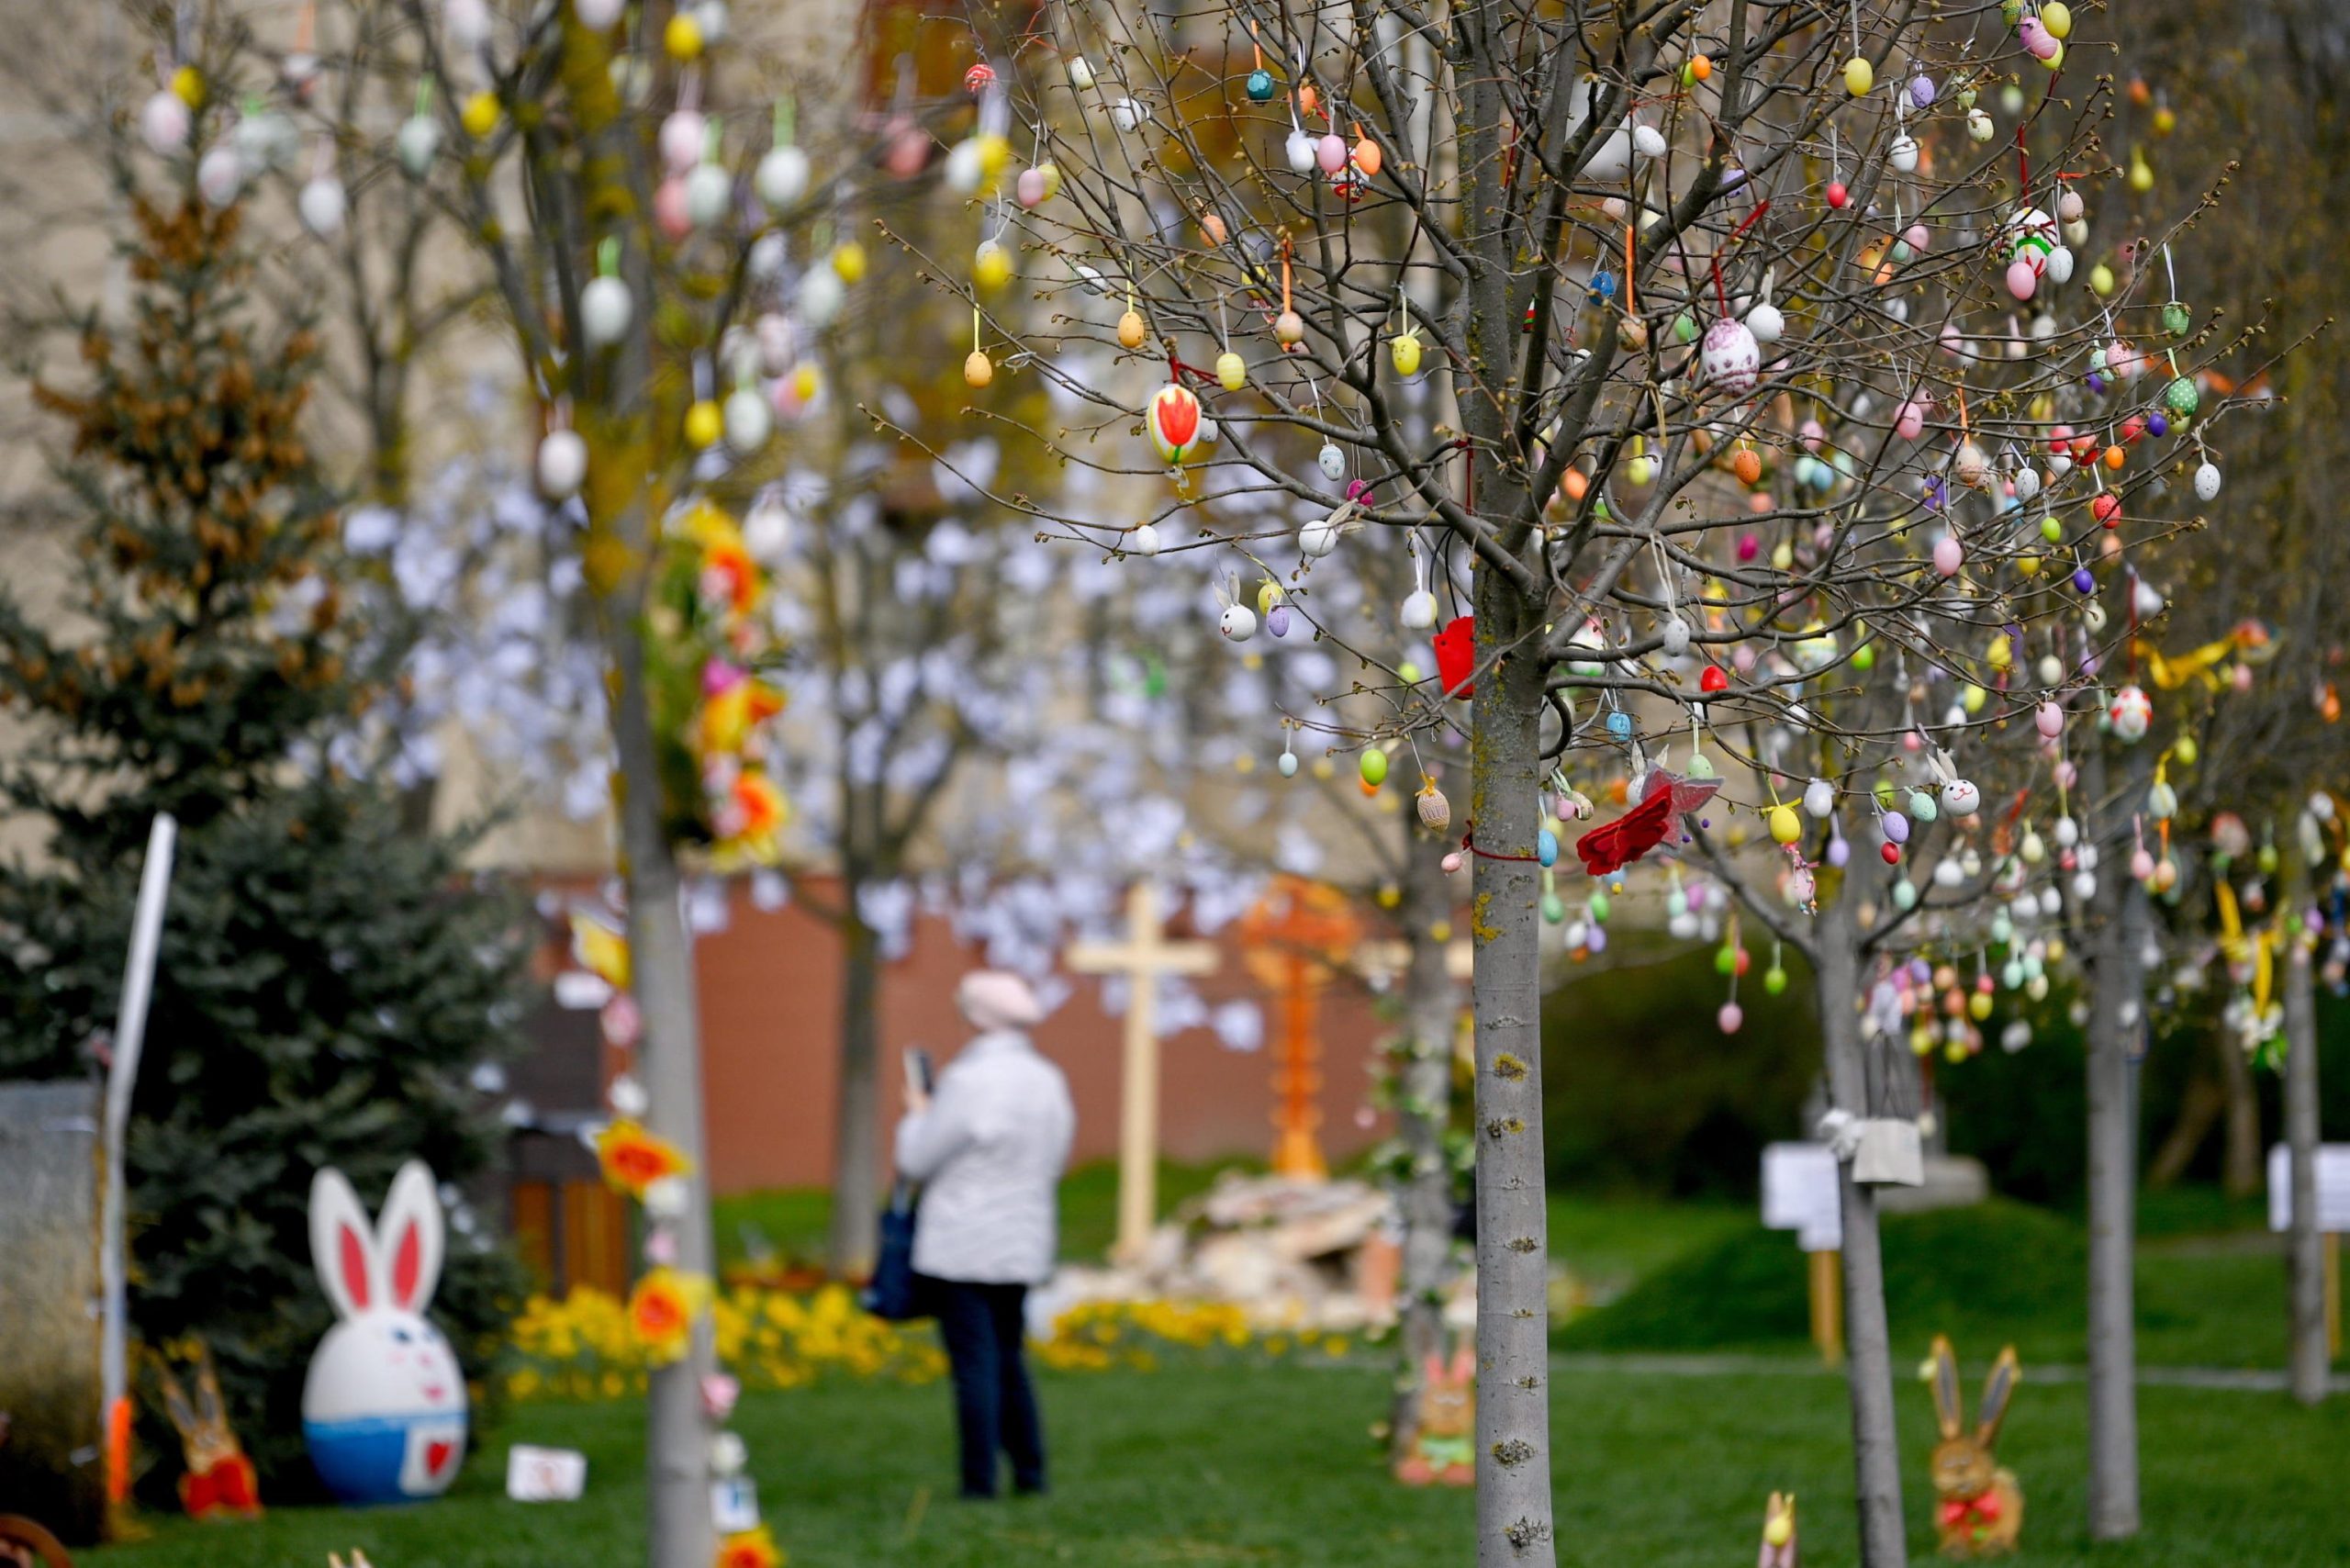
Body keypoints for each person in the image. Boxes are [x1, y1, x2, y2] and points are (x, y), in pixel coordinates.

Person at [894, 969, 1074, 1499]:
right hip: (1022, 1240)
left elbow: (916, 1157)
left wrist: (916, 1115)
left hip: (961, 1243)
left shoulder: (968, 1082)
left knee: (973, 1364)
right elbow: (1057, 1157)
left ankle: (978, 1484)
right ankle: (1030, 1473)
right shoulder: (1048, 1079)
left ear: (973, 1017)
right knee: (1010, 1358)